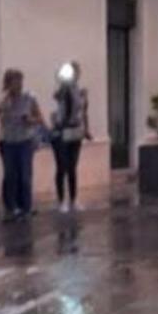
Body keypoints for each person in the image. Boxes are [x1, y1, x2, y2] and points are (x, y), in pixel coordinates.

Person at [0, 69, 46, 221]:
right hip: (9, 142)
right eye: (14, 81)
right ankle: (12, 207)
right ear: (8, 83)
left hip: (25, 141)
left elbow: (40, 118)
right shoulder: (4, 101)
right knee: (10, 175)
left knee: (25, 175)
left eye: (20, 81)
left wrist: (30, 120)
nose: (18, 85)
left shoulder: (29, 98)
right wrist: (6, 104)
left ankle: (26, 207)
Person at [51, 62, 92, 213]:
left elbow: (84, 111)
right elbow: (56, 98)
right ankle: (61, 200)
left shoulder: (80, 91)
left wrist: (86, 129)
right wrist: (63, 84)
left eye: (76, 71)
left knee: (72, 166)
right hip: (62, 131)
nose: (74, 74)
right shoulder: (62, 88)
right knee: (62, 166)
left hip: (75, 131)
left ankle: (73, 199)